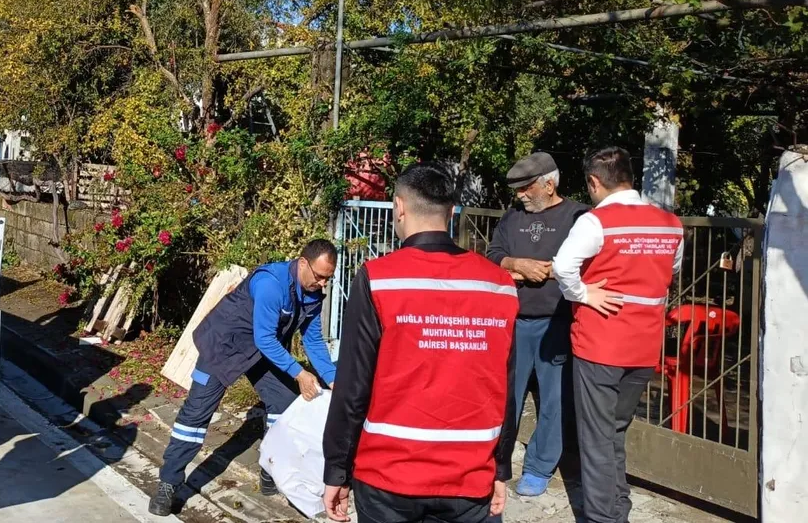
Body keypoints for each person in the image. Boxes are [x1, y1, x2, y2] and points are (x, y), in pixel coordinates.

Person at [323, 163, 519, 523]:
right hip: (470, 475)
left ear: (399, 207)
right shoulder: (499, 284)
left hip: (389, 474)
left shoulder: (379, 279)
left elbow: (352, 387)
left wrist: (337, 469)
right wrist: (501, 467)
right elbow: (508, 386)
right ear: (451, 211)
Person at [148, 239, 339, 517]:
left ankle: (270, 467)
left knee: (284, 403)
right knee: (196, 415)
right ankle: (168, 483)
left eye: (328, 279)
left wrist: (332, 379)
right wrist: (299, 373)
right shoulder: (271, 284)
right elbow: (264, 338)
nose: (323, 284)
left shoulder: (312, 294)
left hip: (261, 354)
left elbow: (313, 340)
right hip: (224, 346)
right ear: (302, 264)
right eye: (319, 276)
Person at [552, 146, 683, 523]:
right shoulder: (671, 223)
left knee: (595, 439)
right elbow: (670, 273)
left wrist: (583, 293)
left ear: (594, 182)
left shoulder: (597, 221)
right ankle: (617, 507)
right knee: (615, 431)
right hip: (645, 344)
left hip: (600, 342)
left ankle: (602, 517)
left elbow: (563, 266)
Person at [485, 152, 587, 496]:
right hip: (512, 321)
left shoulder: (578, 216)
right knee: (504, 397)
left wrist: (544, 271)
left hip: (558, 322)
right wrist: (516, 264)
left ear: (549, 183)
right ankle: (495, 463)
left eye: (526, 188)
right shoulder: (512, 217)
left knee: (554, 401)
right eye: (517, 190)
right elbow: (493, 254)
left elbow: (588, 263)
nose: (520, 196)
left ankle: (539, 468)